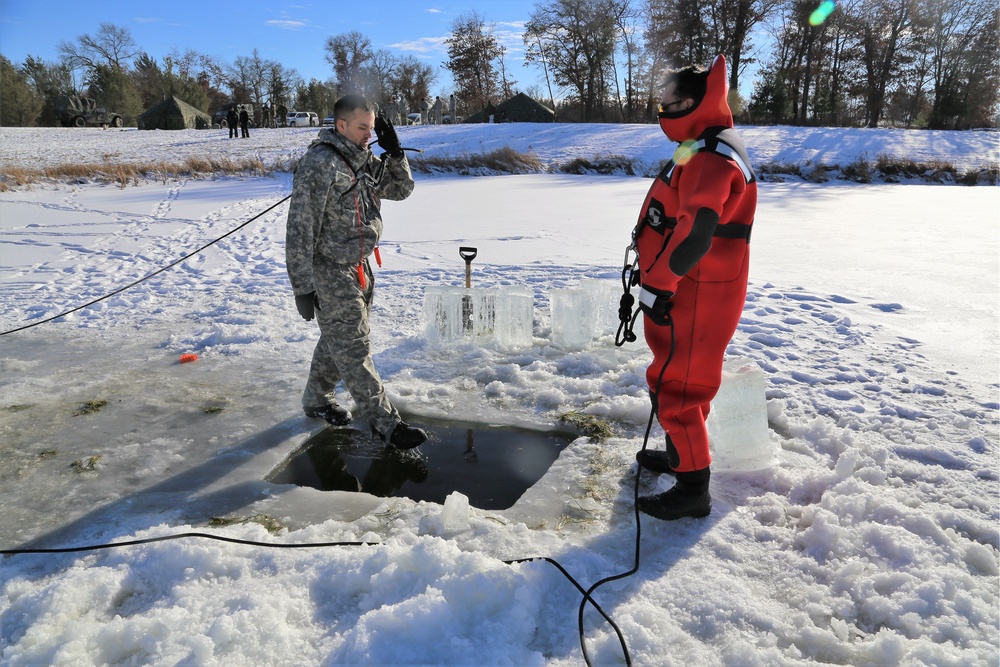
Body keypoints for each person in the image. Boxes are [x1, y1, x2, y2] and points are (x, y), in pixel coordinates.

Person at [629, 55, 757, 520]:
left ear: (696, 102)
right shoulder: (699, 142)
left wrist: (659, 285)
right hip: (694, 287)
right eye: (658, 105)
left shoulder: (709, 154)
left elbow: (697, 231)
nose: (662, 113)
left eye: (671, 104)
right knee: (676, 375)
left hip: (695, 290)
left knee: (680, 386)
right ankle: (680, 452)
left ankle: (692, 490)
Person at [285, 93, 427, 449]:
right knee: (354, 346)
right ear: (341, 125)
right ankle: (386, 424)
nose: (369, 134)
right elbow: (300, 230)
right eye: (363, 127)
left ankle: (317, 399)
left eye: (373, 126)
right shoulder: (320, 164)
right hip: (329, 270)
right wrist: (302, 286)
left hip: (360, 264)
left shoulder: (363, 160)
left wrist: (395, 154)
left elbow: (401, 189)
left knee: (339, 338)